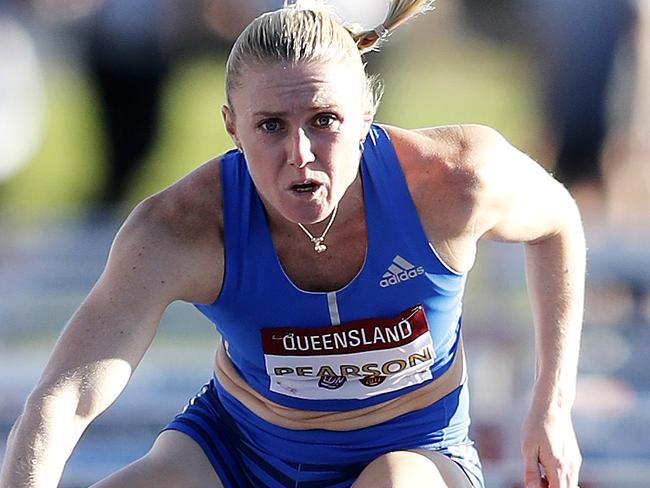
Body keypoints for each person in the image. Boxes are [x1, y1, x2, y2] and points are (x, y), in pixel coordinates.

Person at [0, 1, 585, 487]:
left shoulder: (452, 182)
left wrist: (551, 405)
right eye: (271, 125)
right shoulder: (182, 228)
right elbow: (61, 401)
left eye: (325, 120)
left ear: (366, 114)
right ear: (232, 126)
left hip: (415, 449)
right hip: (238, 451)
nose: (300, 154)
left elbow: (558, 222)